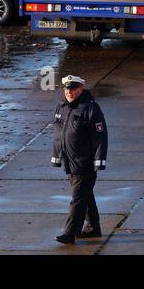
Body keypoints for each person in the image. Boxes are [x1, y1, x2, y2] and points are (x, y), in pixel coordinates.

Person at [51, 74, 109, 244]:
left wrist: (99, 161)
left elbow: (100, 137)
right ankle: (93, 228)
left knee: (77, 198)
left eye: (73, 89)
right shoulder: (61, 107)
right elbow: (58, 135)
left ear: (81, 89)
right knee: (85, 196)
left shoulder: (91, 108)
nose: (70, 92)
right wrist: (56, 157)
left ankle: (69, 233)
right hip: (69, 162)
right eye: (67, 89)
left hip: (85, 163)